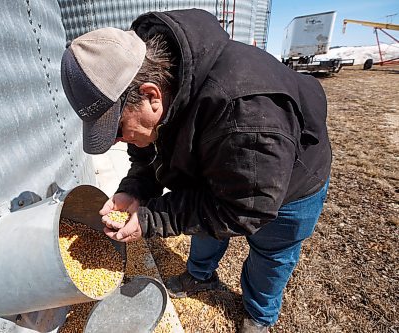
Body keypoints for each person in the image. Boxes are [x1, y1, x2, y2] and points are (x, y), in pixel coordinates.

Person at [60, 8, 331, 333]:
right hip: (220, 164)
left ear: (150, 97)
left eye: (118, 129)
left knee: (271, 256)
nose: (120, 141)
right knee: (204, 228)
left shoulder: (246, 115)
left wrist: (152, 218)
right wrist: (134, 189)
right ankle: (200, 275)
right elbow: (148, 150)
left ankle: (259, 314)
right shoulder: (162, 74)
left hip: (287, 188)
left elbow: (244, 209)